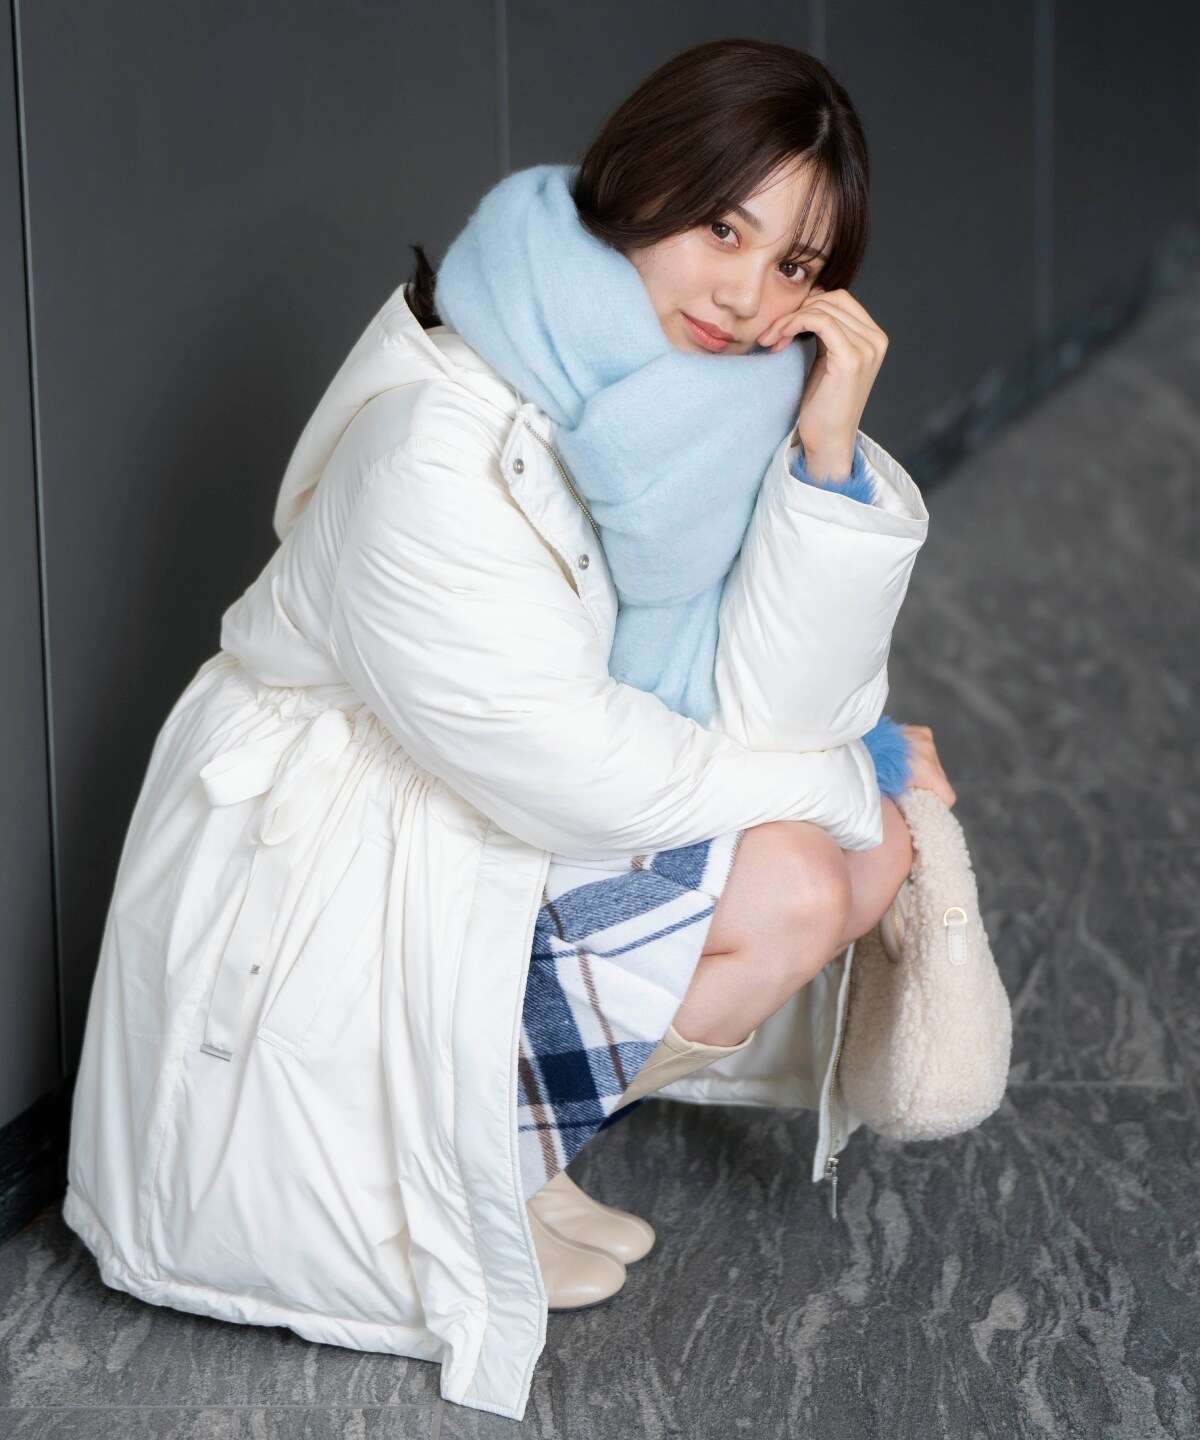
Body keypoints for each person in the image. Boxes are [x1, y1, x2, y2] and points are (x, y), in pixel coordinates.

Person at [63, 38, 951, 1423]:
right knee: (801, 869)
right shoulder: (439, 439)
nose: (748, 297)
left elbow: (780, 707)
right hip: (327, 871)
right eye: (723, 230)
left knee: (859, 856)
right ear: (642, 185)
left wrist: (827, 460)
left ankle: (507, 1157)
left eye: (794, 264)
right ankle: (449, 1177)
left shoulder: (703, 417)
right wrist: (837, 782)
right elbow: (574, 769)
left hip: (472, 818)